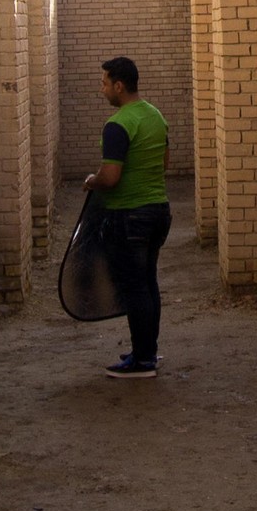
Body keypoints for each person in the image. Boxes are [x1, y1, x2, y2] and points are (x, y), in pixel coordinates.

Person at [85, 56, 172, 376]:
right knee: (147, 283)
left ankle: (143, 361)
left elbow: (110, 177)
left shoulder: (118, 124)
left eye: (105, 83)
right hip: (159, 211)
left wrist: (91, 181)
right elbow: (164, 164)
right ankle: (147, 350)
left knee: (135, 287)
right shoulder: (155, 116)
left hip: (130, 216)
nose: (102, 89)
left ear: (119, 86)